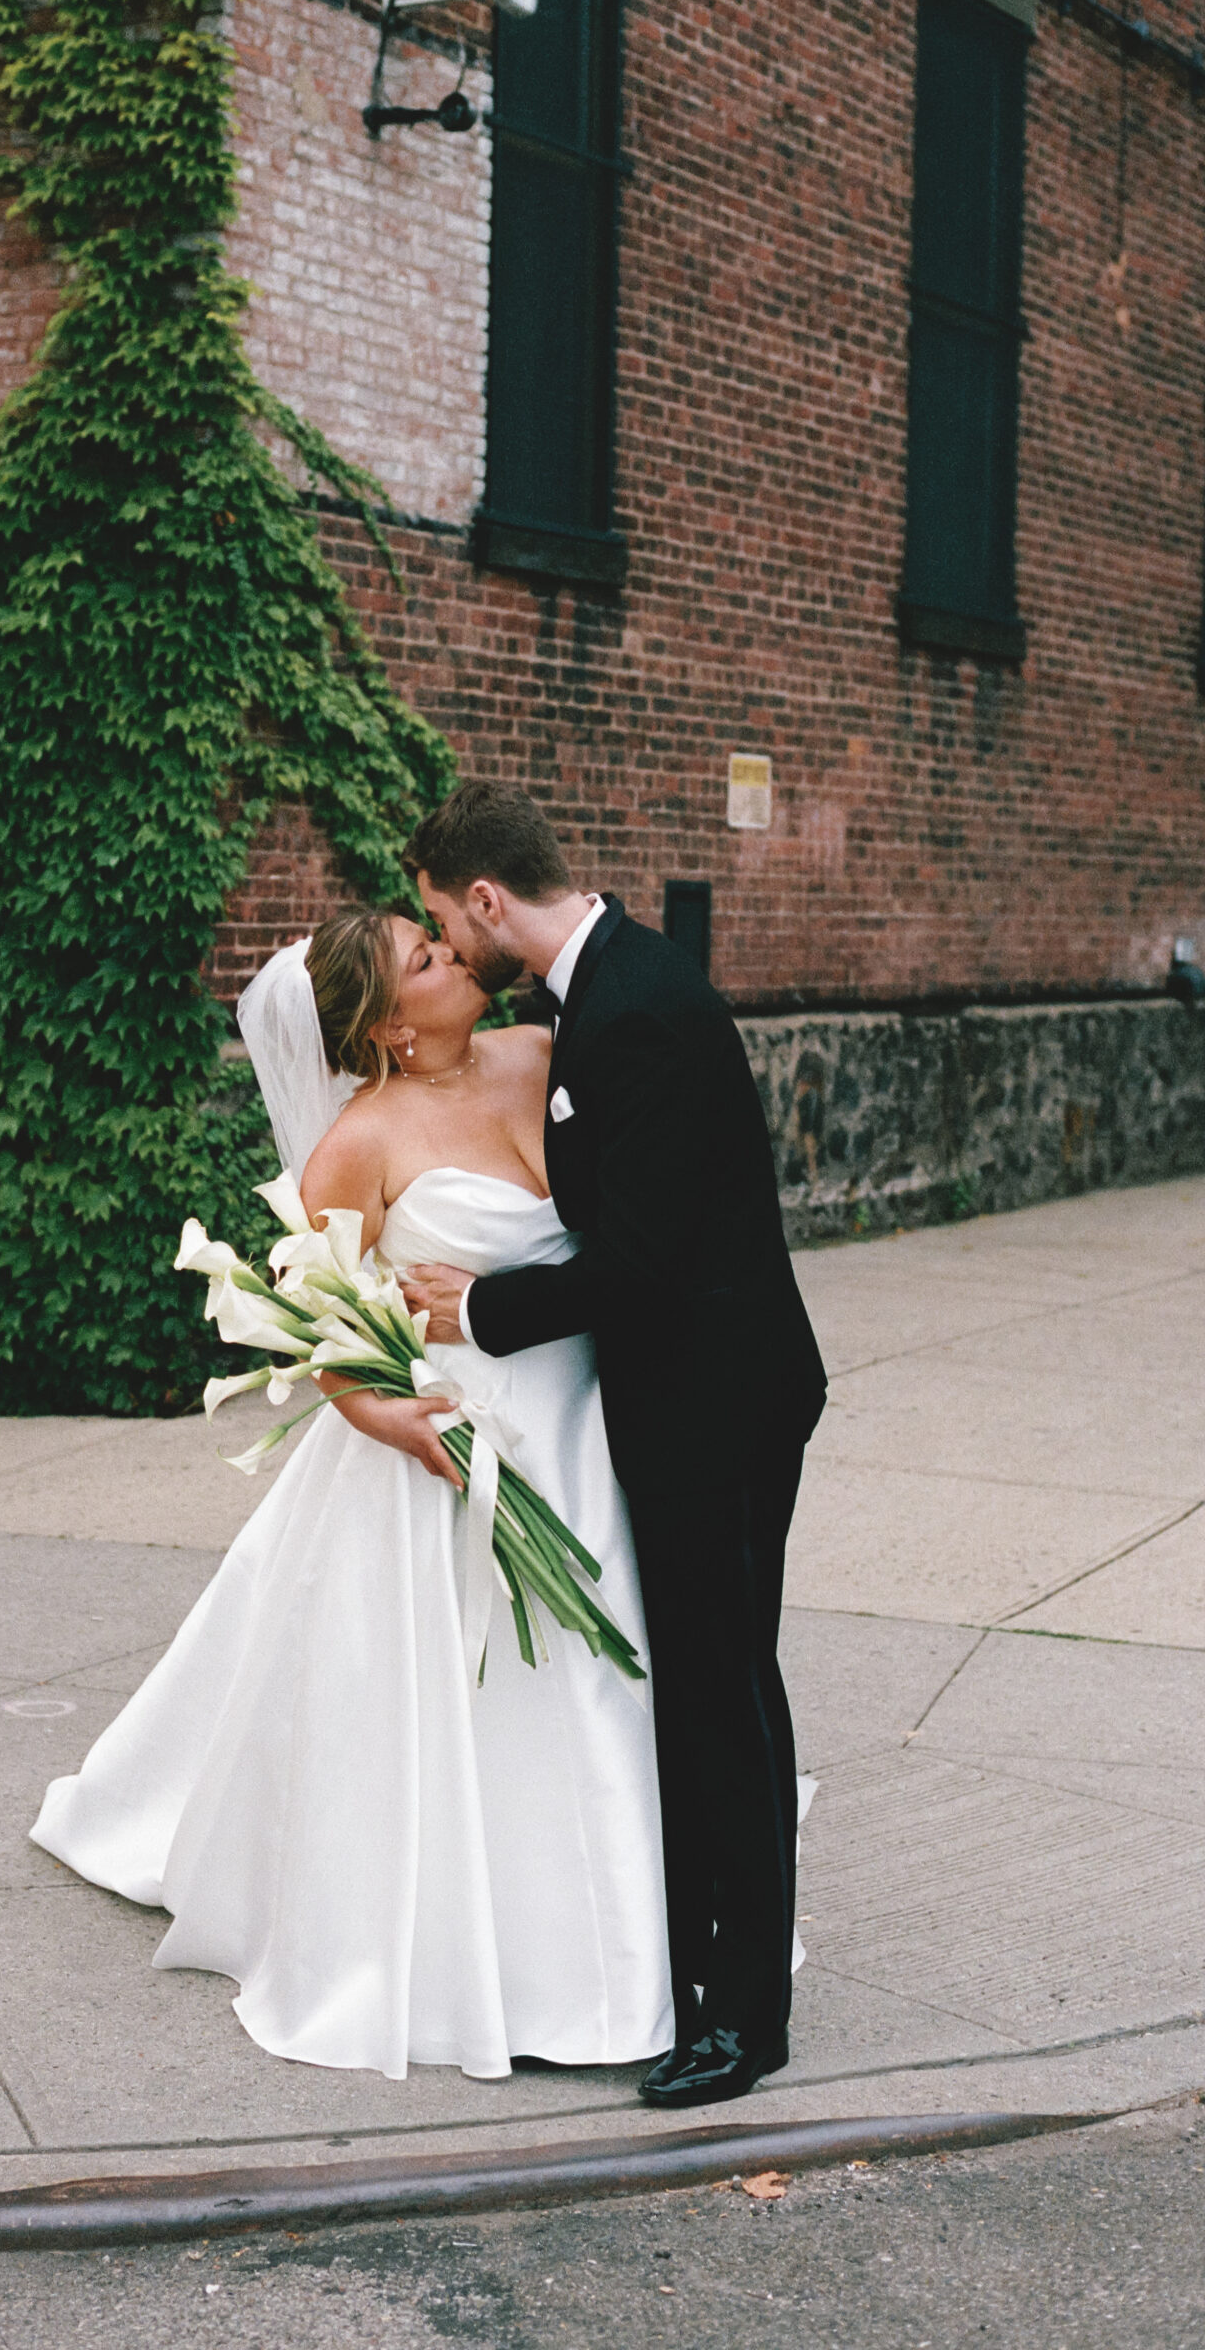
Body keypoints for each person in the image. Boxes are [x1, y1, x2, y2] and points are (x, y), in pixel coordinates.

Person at [31, 906, 675, 2082]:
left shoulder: (544, 1056)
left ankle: (645, 1927)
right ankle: (530, 1959)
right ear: (386, 1024)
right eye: (425, 958)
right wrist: (388, 1418)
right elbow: (326, 1329)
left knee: (612, 1670)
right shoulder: (361, 1142)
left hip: (590, 1424)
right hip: (459, 1444)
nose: (451, 955)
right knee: (509, 1687)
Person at [403, 780, 827, 2108]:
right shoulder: (597, 992)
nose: (447, 946)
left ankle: (740, 2023)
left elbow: (641, 1261)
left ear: (484, 901)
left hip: (715, 1402)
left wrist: (481, 1307)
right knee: (714, 1685)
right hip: (706, 1389)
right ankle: (717, 1978)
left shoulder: (638, 1011)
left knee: (717, 1695)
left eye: (437, 920)